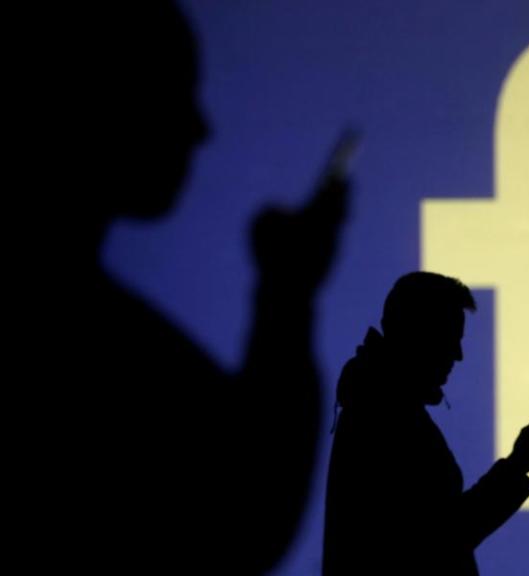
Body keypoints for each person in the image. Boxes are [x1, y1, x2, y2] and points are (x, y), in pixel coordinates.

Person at [22, 2, 348, 572]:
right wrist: (287, 295)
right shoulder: (94, 345)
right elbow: (241, 515)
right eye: (172, 94)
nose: (201, 128)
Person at [323, 271, 529, 575]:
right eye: (450, 339)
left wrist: (516, 467)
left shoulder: (378, 407)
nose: (458, 355)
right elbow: (438, 541)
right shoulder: (387, 418)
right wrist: (516, 467)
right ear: (418, 334)